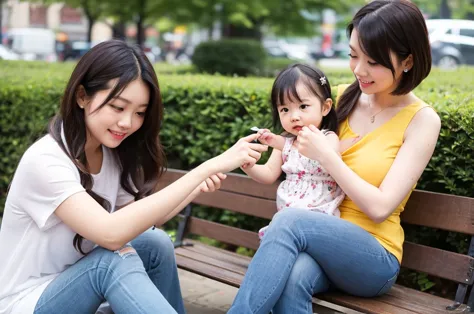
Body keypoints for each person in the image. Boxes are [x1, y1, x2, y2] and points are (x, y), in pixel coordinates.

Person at [0, 40, 267, 314]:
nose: (128, 123)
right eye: (118, 107)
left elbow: (142, 221)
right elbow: (111, 233)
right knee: (110, 262)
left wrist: (197, 184)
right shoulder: (46, 160)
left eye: (139, 113)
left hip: (78, 284)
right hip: (28, 303)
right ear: (82, 96)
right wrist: (206, 167)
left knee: (154, 242)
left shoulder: (110, 154)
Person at [228, 0, 441, 313]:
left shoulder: (421, 120)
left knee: (289, 221)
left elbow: (380, 207)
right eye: (354, 55)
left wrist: (329, 158)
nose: (359, 70)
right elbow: (289, 138)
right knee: (293, 278)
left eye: (373, 61)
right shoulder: (339, 98)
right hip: (318, 243)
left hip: (373, 256)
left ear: (408, 61)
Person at [241, 64, 344, 239]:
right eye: (285, 109)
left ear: (325, 107)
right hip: (287, 218)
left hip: (318, 216)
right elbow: (268, 174)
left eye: (303, 106)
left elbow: (335, 166)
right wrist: (248, 165)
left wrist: (317, 149)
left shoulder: (328, 138)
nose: (294, 116)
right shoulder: (286, 143)